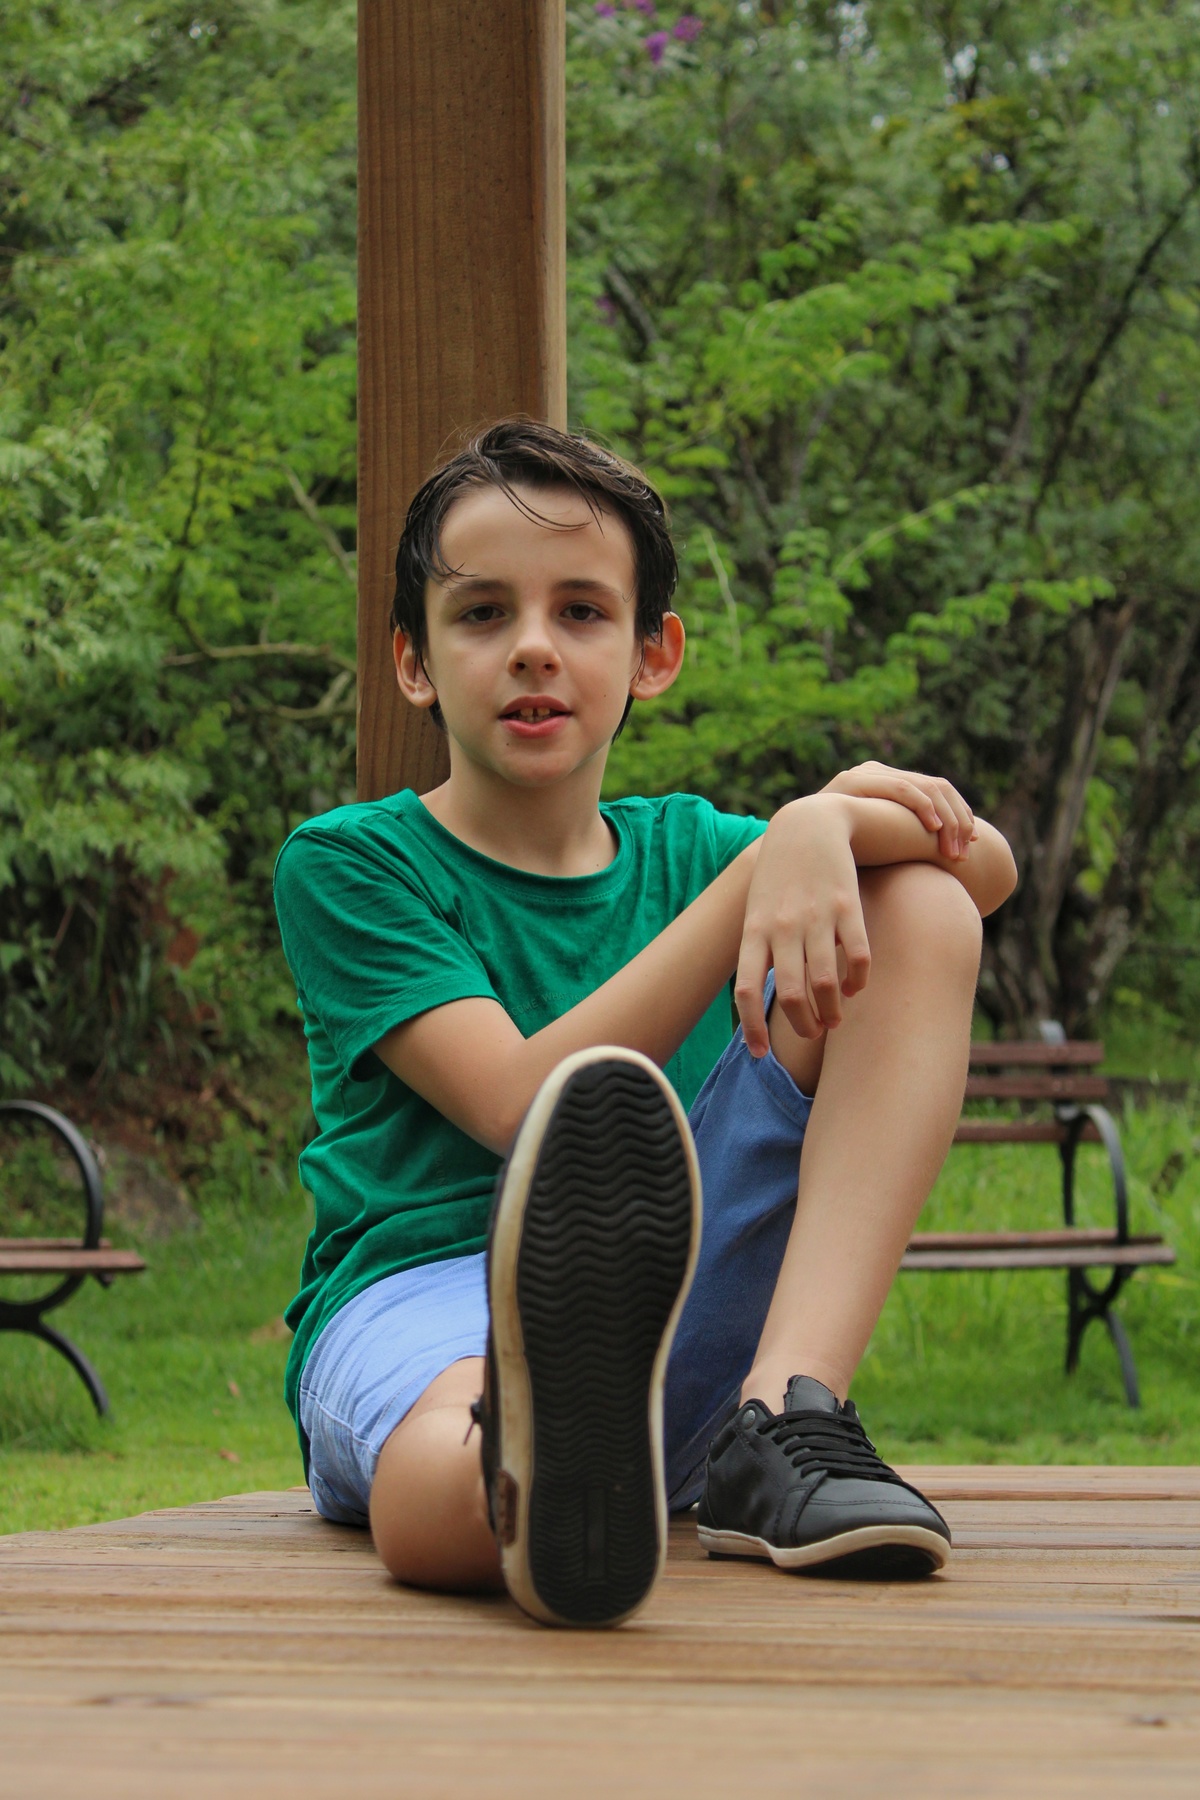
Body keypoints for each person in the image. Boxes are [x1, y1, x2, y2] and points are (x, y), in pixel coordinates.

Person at [273, 419, 1017, 1629]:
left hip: (675, 1307)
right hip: (428, 1296)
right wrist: (775, 857)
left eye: (581, 611)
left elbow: (984, 872)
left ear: (652, 654)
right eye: (482, 615)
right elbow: (517, 1105)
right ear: (414, 661)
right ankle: (531, 1478)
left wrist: (819, 824)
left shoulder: (694, 849)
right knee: (451, 1465)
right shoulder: (352, 864)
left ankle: (785, 1416)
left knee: (918, 908)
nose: (533, 647)